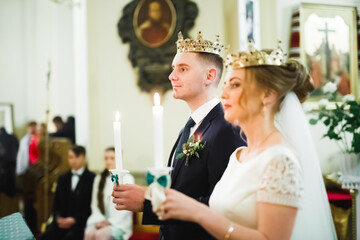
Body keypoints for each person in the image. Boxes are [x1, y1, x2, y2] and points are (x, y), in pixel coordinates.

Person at [157, 42, 337, 239]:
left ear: (267, 95)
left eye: (234, 85)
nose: (223, 94)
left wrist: (199, 213)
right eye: (225, 84)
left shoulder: (280, 160)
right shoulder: (239, 156)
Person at [112, 31, 246, 240]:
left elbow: (222, 206)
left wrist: (149, 203)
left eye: (183, 69)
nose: (171, 76)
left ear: (209, 76)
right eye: (174, 68)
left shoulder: (226, 129)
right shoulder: (189, 127)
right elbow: (182, 189)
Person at [40, 145, 95, 240]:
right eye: (70, 157)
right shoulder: (62, 178)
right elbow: (56, 203)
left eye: (77, 157)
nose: (73, 160)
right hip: (61, 222)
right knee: (45, 236)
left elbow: (90, 205)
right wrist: (58, 218)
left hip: (80, 224)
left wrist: (75, 220)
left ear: (84, 158)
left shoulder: (92, 178)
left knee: (70, 237)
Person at [84, 147, 134, 240]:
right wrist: (99, 220)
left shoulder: (127, 179)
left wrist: (110, 222)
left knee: (102, 235)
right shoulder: (98, 178)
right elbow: (94, 205)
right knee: (89, 233)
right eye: (106, 158)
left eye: (112, 158)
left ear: (119, 160)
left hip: (119, 224)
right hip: (100, 219)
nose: (108, 161)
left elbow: (127, 207)